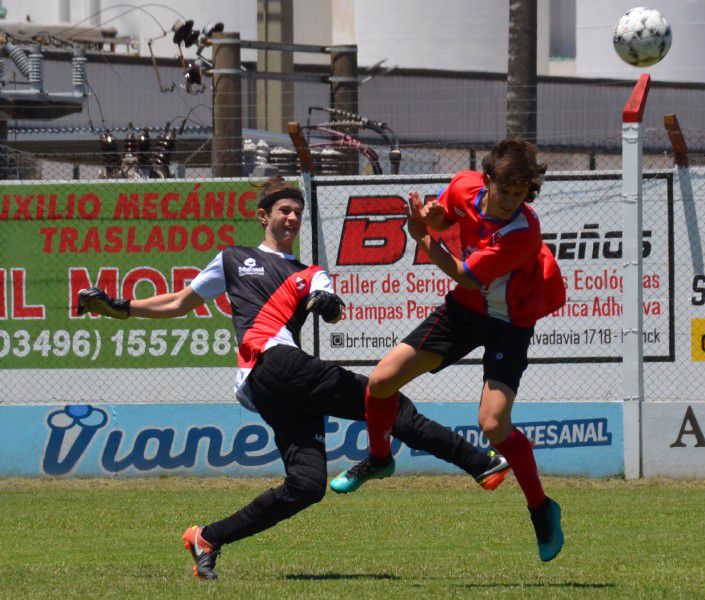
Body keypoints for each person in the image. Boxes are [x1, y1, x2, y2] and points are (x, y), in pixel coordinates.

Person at [76, 176, 511, 580]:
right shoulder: (233, 259)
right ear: (263, 216)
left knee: (307, 485)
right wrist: (120, 307)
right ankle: (478, 462)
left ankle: (208, 538)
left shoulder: (308, 271)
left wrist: (327, 303)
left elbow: (333, 305)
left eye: (297, 213)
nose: (292, 218)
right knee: (387, 401)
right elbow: (179, 303)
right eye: (284, 210)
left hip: (281, 383)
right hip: (269, 367)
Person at [332, 139, 567, 562]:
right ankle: (380, 458)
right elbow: (444, 215)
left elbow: (463, 274)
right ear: (488, 179)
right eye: (506, 190)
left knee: (494, 424)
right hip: (462, 314)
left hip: (508, 324)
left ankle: (541, 509)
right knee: (382, 380)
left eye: (521, 193)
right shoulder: (463, 185)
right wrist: (432, 218)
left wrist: (422, 238)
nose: (512, 200)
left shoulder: (522, 233)